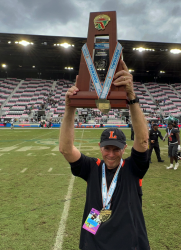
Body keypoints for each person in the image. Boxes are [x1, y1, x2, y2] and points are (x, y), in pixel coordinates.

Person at [59, 60, 151, 250]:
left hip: (127, 244)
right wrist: (70, 108)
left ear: (124, 149)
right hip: (94, 242)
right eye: (107, 148)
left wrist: (131, 97)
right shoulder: (92, 167)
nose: (111, 154)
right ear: (100, 148)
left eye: (116, 149)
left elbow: (142, 141)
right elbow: (66, 149)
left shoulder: (133, 168)